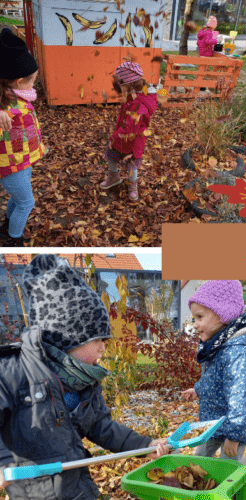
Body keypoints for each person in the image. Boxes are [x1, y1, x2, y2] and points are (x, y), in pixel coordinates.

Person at [0, 254, 169, 499]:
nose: (103, 348)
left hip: (78, 488)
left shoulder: (84, 379)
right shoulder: (13, 372)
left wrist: (143, 445)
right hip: (34, 492)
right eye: (98, 340)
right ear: (69, 338)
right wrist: (3, 464)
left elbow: (101, 426)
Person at [180, 280, 246, 462]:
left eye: (200, 317)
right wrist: (198, 389)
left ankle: (223, 490)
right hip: (213, 422)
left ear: (223, 314)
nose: (194, 324)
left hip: (235, 426)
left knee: (225, 469)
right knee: (201, 459)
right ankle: (200, 486)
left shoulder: (240, 351)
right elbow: (213, 378)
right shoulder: (218, 342)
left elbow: (243, 396)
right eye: (193, 318)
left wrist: (234, 435)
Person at [0, 28, 48, 246]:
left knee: (18, 198)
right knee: (27, 203)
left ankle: (7, 224)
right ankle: (13, 238)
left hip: (21, 160)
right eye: (32, 81)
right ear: (18, 82)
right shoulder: (4, 109)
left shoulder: (13, 94)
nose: (34, 86)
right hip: (9, 166)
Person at [100, 61, 158, 202]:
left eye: (121, 85)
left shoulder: (139, 104)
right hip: (122, 135)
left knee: (132, 163)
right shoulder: (133, 96)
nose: (119, 88)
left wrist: (114, 138)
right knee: (112, 154)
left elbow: (130, 128)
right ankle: (114, 177)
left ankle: (133, 184)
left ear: (130, 84)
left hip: (132, 140)